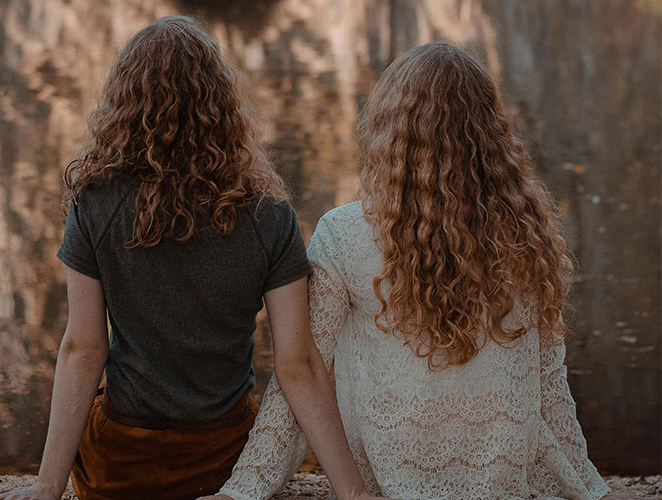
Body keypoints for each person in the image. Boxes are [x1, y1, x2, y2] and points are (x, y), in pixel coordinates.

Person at [0, 16, 393, 500]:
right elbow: (298, 364)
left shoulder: (94, 203)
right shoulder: (268, 215)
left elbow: (84, 349)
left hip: (118, 467)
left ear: (123, 101)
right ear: (222, 102)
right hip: (222, 462)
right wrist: (352, 491)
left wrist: (47, 487)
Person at [209, 43, 639, 500]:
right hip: (503, 483)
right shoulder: (526, 232)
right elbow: (549, 388)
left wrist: (243, 489)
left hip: (386, 481)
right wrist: (594, 489)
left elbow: (302, 371)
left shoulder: (345, 233)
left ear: (388, 129)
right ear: (490, 133)